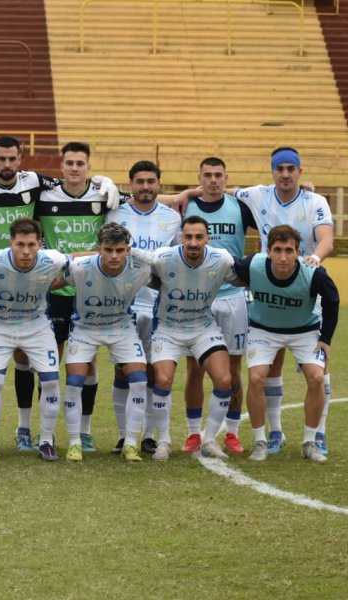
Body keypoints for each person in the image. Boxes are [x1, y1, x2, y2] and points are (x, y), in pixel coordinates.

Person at [0, 136, 118, 454]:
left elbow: (74, 179)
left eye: (12, 159)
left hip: (41, 283)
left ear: (20, 159)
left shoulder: (36, 182)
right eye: (1, 159)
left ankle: (36, 431)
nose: (7, 165)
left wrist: (103, 179)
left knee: (61, 360)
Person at [233, 147, 335, 455]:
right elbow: (220, 191)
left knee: (318, 372)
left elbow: (326, 237)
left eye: (292, 168)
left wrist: (314, 258)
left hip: (302, 285)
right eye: (281, 168)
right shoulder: (257, 194)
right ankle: (274, 433)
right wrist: (186, 194)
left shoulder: (315, 201)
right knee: (269, 369)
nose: (286, 174)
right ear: (273, 171)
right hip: (269, 286)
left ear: (300, 172)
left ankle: (318, 434)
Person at [130, 216, 239, 461]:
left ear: (207, 239)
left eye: (199, 237)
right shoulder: (165, 257)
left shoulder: (221, 259)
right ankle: (164, 441)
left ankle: (209, 440)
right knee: (164, 379)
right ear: (181, 238)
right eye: (188, 237)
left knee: (224, 379)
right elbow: (136, 255)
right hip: (168, 328)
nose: (193, 242)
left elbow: (244, 274)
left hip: (203, 327)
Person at [0, 218, 70, 462]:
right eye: (20, 244)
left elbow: (79, 263)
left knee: (51, 382)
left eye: (31, 245)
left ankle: (46, 441)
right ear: (10, 242)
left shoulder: (52, 260)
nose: (25, 251)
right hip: (0, 326)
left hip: (37, 326)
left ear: (39, 244)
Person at [234, 225, 339, 462]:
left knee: (316, 377)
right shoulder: (253, 265)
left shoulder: (314, 273)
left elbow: (333, 301)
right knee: (256, 377)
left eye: (289, 251)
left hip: (304, 330)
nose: (283, 257)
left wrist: (326, 339)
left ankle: (310, 442)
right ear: (268, 251)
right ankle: (261, 441)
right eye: (278, 250)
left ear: (298, 252)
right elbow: (226, 269)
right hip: (264, 329)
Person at [37, 141, 110, 453]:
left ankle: (85, 430)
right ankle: (47, 432)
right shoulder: (44, 197)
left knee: (88, 361)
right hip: (54, 289)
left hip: (88, 291)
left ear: (89, 167)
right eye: (70, 163)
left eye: (81, 163)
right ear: (62, 166)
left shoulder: (104, 196)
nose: (75, 168)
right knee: (50, 360)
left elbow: (148, 198)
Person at [182, 157, 258, 455]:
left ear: (227, 178)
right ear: (199, 177)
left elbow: (271, 210)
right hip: (198, 297)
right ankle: (192, 433)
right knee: (194, 368)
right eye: (207, 175)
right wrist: (184, 194)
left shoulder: (240, 206)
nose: (213, 180)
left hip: (233, 295)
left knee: (234, 368)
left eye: (218, 175)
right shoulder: (186, 206)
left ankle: (232, 432)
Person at [105, 160, 180, 455]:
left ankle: (149, 434)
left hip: (158, 306)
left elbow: (174, 261)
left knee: (153, 370)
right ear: (131, 185)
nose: (146, 187)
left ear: (159, 185)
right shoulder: (115, 213)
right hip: (123, 306)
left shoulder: (172, 218)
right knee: (123, 372)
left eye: (151, 181)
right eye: (140, 181)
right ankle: (125, 435)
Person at [62, 223, 152, 462]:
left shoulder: (140, 271)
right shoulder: (80, 268)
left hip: (121, 328)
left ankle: (130, 444)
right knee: (74, 382)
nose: (114, 256)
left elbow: (161, 263)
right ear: (98, 248)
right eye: (108, 249)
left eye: (120, 250)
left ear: (127, 250)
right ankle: (74, 443)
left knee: (139, 382)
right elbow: (49, 282)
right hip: (84, 328)